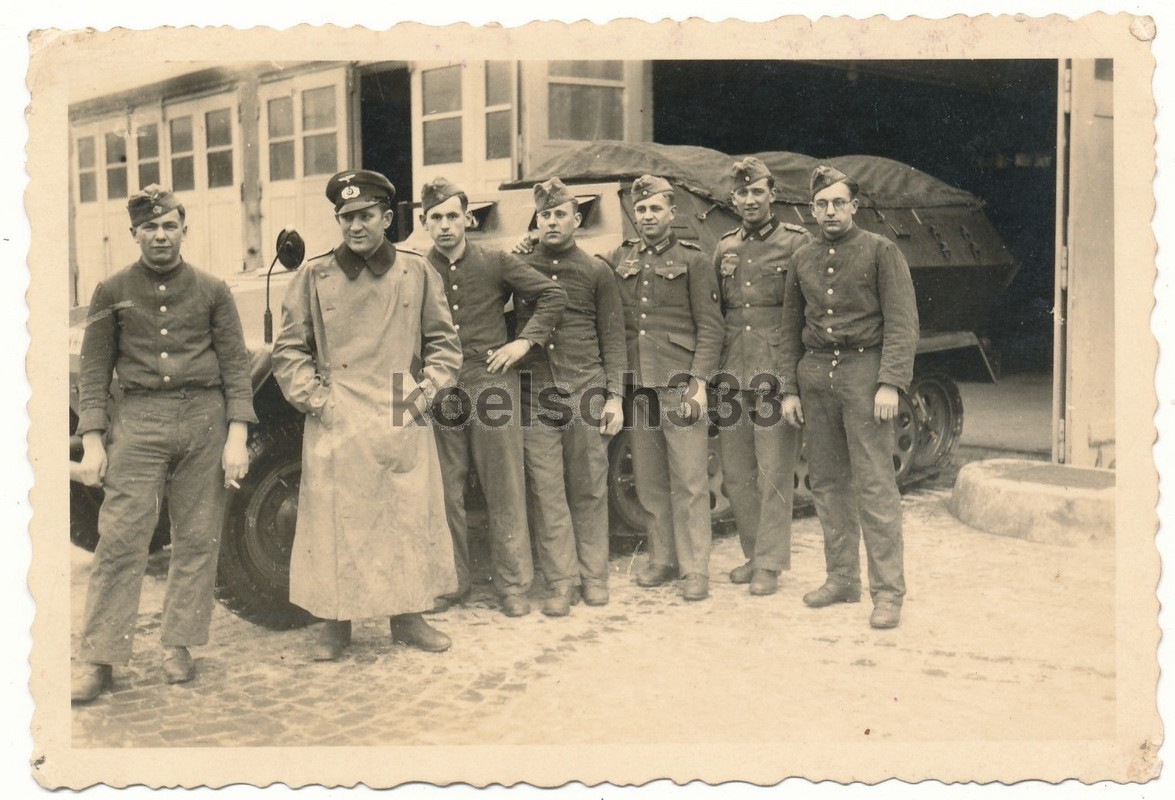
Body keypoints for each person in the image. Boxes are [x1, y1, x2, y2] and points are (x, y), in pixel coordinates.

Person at [71, 185, 256, 702]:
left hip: (205, 420)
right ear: (134, 234)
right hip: (139, 419)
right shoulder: (110, 291)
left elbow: (236, 366)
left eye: (169, 225)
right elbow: (93, 368)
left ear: (183, 229)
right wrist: (92, 441)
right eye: (149, 227)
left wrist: (236, 436)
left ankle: (179, 644)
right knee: (121, 539)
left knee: (197, 538)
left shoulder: (214, 289)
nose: (160, 235)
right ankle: (101, 656)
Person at [272, 169, 463, 661]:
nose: (355, 227)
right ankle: (336, 622)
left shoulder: (416, 271)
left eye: (365, 216)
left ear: (385, 217)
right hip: (340, 406)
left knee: (407, 511)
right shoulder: (314, 275)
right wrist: (318, 401)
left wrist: (424, 392)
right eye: (345, 217)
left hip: (401, 400)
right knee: (337, 519)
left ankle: (409, 616)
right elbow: (290, 348)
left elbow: (443, 343)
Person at [779, 165, 919, 629]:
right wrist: (790, 388)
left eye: (839, 203)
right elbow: (788, 328)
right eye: (821, 204)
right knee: (827, 483)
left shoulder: (881, 252)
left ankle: (888, 593)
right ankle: (841, 579)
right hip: (816, 375)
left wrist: (890, 382)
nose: (830, 212)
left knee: (875, 484)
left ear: (854, 206)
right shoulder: (802, 256)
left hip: (864, 373)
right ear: (811, 208)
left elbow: (902, 323)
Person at [420, 177, 567, 618]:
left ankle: (514, 585)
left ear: (467, 218)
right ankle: (453, 581)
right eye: (435, 218)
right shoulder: (413, 270)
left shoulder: (495, 261)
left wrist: (522, 344)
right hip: (439, 386)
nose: (445, 226)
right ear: (423, 223)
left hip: (490, 385)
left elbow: (552, 295)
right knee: (444, 489)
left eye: (452, 216)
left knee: (504, 484)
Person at [597, 175, 723, 601]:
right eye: (642, 209)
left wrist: (699, 383)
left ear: (672, 213)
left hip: (678, 384)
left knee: (689, 480)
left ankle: (695, 570)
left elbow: (710, 328)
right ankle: (662, 559)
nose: (647, 216)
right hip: (638, 386)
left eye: (656, 209)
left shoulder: (695, 259)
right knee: (650, 481)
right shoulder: (619, 257)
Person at [515, 177, 627, 615]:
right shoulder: (518, 266)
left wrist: (615, 397)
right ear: (536, 221)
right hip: (536, 396)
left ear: (577, 220)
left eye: (561, 214)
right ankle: (561, 582)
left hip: (586, 390)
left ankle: (594, 577)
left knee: (589, 488)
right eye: (545, 215)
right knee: (546, 491)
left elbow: (613, 339)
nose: (553, 221)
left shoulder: (597, 271)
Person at [712, 157, 810, 597]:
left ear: (772, 194)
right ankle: (753, 555)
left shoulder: (796, 243)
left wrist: (792, 380)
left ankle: (770, 563)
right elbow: (721, 313)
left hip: (774, 369)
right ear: (732, 199)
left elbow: (805, 315)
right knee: (736, 473)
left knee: (773, 471)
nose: (750, 200)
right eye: (742, 193)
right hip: (733, 370)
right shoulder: (724, 246)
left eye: (757, 191)